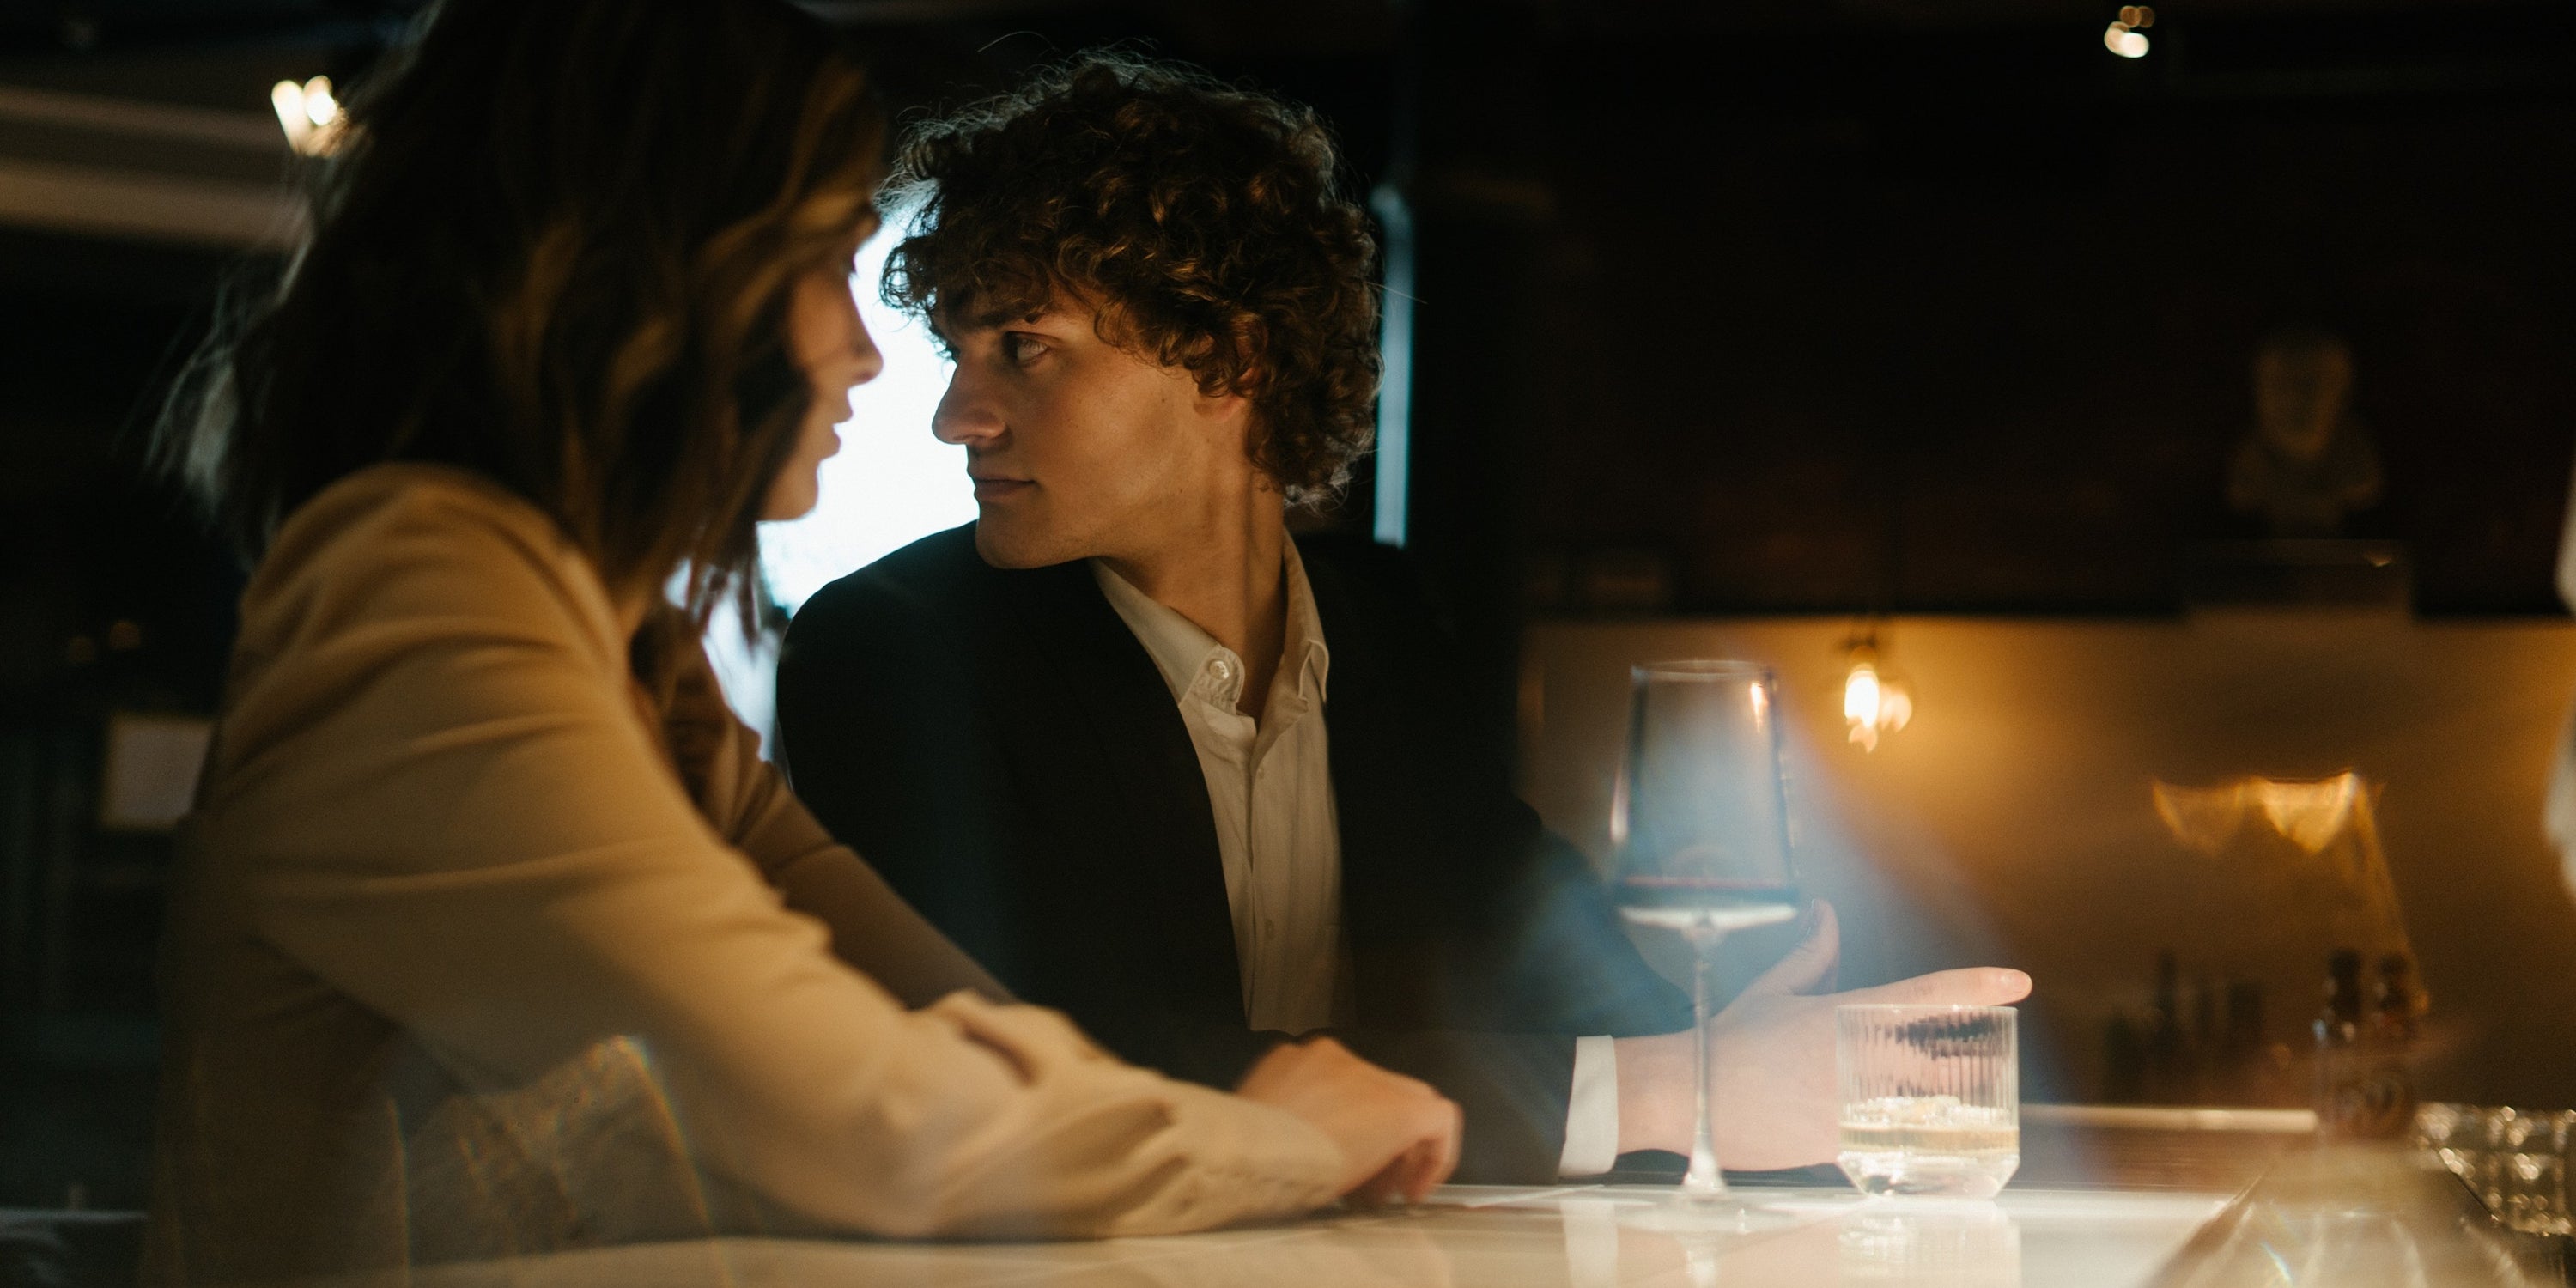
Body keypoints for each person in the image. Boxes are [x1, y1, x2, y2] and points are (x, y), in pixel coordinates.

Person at [143, 5, 1461, 1281]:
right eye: (829, 264)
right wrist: (1287, 1137)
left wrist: (1251, 1122)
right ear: (656, 274)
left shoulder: (630, 659)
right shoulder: (415, 601)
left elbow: (955, 1019)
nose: (874, 365)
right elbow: (883, 1122)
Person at [775, 52, 2032, 1185]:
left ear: (1231, 357)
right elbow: (1066, 1069)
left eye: (1022, 347)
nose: (958, 416)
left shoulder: (1382, 626)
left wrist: (1714, 1023)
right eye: (958, 350)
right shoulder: (889, 652)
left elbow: (1533, 948)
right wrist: (1664, 1085)